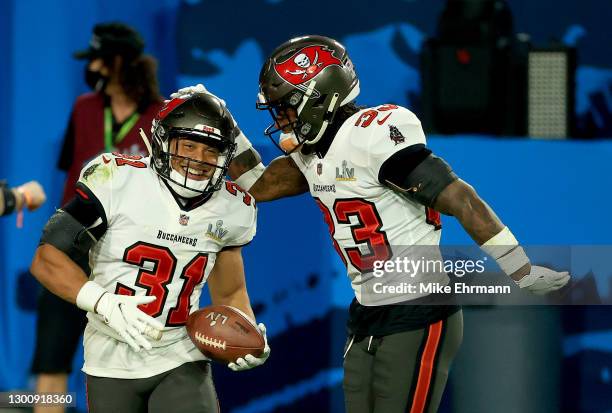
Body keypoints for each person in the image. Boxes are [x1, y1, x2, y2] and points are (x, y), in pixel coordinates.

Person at [243, 35, 569, 413]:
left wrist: (520, 268)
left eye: (287, 107)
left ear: (320, 97)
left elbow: (461, 198)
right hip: (366, 310)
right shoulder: (313, 152)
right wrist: (224, 127)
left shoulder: (372, 135)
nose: (282, 120)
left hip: (418, 307)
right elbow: (259, 185)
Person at [30, 93, 269, 413]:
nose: (199, 158)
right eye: (189, 145)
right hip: (110, 355)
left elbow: (231, 291)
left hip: (180, 354)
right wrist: (102, 301)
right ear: (162, 142)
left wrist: (246, 334)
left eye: (211, 150)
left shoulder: (232, 207)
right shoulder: (116, 178)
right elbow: (46, 258)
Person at [31, 22, 165, 409]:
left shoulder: (160, 119)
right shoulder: (84, 108)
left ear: (116, 62)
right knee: (51, 361)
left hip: (129, 265)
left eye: (97, 61)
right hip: (70, 254)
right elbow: (70, 175)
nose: (92, 69)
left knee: (133, 370)